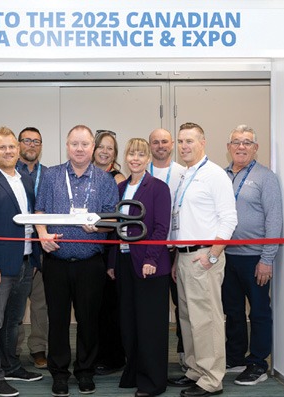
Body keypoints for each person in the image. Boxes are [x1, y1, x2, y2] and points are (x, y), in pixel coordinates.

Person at [35, 125, 119, 397]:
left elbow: (112, 219)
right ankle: (59, 373)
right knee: (57, 320)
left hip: (90, 263)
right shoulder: (51, 175)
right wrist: (42, 234)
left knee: (88, 320)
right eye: (75, 144)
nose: (79, 149)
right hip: (56, 261)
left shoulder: (105, 180)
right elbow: (39, 211)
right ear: (67, 146)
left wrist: (99, 227)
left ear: (92, 147)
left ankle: (85, 371)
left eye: (84, 144)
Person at [0, 127, 45, 397]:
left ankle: (11, 366)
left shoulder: (26, 181)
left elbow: (32, 222)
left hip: (25, 262)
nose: (8, 151)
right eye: (2, 147)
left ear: (18, 150)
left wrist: (34, 258)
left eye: (12, 147)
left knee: (13, 321)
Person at [168, 122, 237, 397]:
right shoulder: (186, 175)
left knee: (206, 320)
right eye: (181, 141)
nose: (184, 146)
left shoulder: (215, 175)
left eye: (189, 141)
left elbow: (229, 219)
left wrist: (212, 255)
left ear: (203, 143)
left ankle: (211, 379)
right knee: (188, 319)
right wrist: (177, 259)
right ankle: (195, 370)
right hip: (185, 256)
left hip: (204, 257)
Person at [106, 138, 171, 397]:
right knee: (129, 322)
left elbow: (161, 228)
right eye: (131, 154)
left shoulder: (158, 188)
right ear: (126, 157)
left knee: (149, 326)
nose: (135, 159)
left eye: (141, 154)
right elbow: (116, 228)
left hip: (148, 265)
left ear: (148, 159)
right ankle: (133, 372)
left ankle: (153, 382)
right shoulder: (120, 187)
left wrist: (151, 259)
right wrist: (112, 262)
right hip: (124, 263)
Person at [222, 125, 281, 386]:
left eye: (247, 142)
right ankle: (235, 357)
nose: (241, 147)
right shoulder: (221, 176)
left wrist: (267, 259)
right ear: (229, 147)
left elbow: (274, 219)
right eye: (236, 142)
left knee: (258, 312)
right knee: (232, 311)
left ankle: (258, 363)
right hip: (225, 256)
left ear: (255, 148)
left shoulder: (265, 177)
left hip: (255, 258)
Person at [147, 128, 187, 370]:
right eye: (155, 142)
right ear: (150, 145)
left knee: (182, 304)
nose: (160, 145)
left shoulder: (184, 173)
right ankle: (152, 356)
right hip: (151, 250)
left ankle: (184, 352)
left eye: (164, 141)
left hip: (176, 249)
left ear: (172, 144)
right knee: (153, 306)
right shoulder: (142, 173)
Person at [91, 129, 126, 376]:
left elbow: (118, 220)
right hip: (88, 246)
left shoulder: (118, 178)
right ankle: (94, 354)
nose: (104, 151)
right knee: (91, 306)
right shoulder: (85, 174)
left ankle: (112, 357)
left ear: (115, 153)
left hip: (110, 249)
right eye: (101, 147)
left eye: (110, 148)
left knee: (109, 306)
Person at [15, 127, 50, 370]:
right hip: (16, 248)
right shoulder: (9, 173)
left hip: (43, 247)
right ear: (19, 144)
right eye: (27, 140)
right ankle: (12, 349)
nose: (31, 145)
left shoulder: (49, 175)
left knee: (40, 304)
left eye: (36, 141)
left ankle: (38, 348)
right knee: (15, 305)